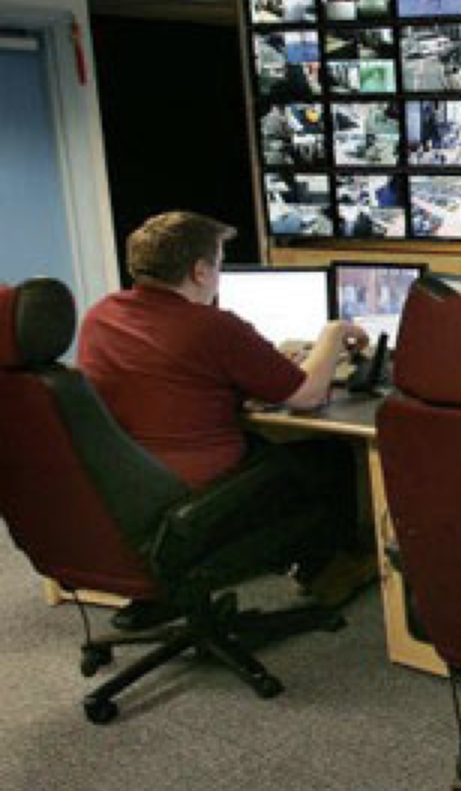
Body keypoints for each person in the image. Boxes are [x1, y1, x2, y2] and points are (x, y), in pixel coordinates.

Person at [76, 211, 374, 624]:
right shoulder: (211, 327)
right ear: (200, 271)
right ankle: (328, 574)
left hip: (127, 486)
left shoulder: (100, 315)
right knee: (329, 455)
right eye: (218, 263)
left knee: (274, 449)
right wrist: (334, 333)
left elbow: (167, 379)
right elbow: (307, 396)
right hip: (195, 494)